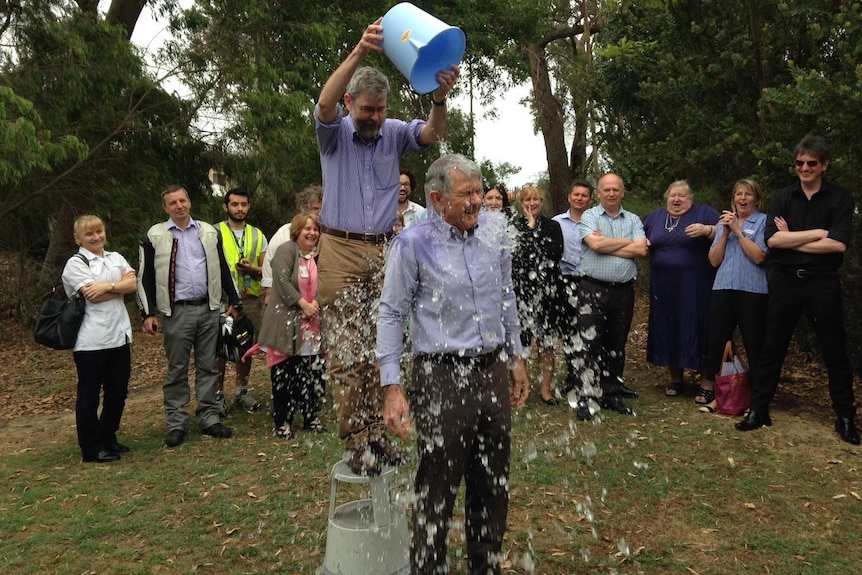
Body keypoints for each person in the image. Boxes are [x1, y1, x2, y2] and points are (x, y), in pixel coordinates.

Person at [314, 16, 459, 474]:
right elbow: (323, 102)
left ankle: (379, 432)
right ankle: (357, 441)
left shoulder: (394, 132)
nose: (374, 117)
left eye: (380, 109)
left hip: (384, 251)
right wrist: (359, 50)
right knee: (346, 351)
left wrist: (439, 97)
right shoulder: (333, 134)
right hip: (338, 250)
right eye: (366, 109)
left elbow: (433, 134)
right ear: (351, 102)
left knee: (383, 346)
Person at [377, 154, 529, 575]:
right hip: (440, 376)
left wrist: (515, 356)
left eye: (479, 191)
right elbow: (391, 314)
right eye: (467, 194)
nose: (477, 201)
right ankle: (427, 568)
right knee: (437, 488)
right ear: (437, 198)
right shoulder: (412, 244)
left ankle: (486, 567)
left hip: (493, 371)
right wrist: (393, 387)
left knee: (492, 484)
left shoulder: (495, 234)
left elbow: (506, 295)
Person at [736, 135, 859, 445]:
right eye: (800, 163)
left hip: (823, 282)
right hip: (786, 281)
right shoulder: (782, 198)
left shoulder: (841, 199)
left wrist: (793, 238)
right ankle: (759, 410)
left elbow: (839, 244)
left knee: (834, 352)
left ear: (824, 165)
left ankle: (845, 417)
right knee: (771, 348)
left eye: (812, 163)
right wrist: (818, 234)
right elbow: (773, 242)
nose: (804, 167)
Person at [138, 184, 243, 448]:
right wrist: (148, 312)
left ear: (189, 202)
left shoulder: (209, 231)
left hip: (208, 309)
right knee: (177, 369)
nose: (179, 206)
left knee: (208, 366)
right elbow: (145, 276)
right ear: (165, 208)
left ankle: (208, 417)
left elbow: (222, 267)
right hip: (177, 312)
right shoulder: (154, 235)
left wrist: (234, 300)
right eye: (173, 203)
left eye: (182, 200)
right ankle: (176, 423)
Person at [62, 215, 137, 463]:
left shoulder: (116, 258)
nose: (96, 237)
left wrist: (106, 287)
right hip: (91, 341)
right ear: (78, 239)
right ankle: (92, 448)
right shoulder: (76, 264)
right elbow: (91, 296)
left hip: (119, 336)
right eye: (89, 234)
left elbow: (133, 284)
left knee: (118, 391)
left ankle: (108, 436)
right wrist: (118, 287)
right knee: (89, 395)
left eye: (99, 232)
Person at [572, 173, 647, 419]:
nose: (612, 193)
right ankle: (585, 398)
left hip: (623, 292)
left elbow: (641, 248)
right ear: (599, 192)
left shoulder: (633, 219)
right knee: (588, 345)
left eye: (616, 189)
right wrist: (627, 242)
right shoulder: (590, 216)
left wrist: (608, 242)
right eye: (607, 190)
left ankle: (611, 393)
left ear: (622, 192)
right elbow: (595, 246)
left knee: (616, 345)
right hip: (593, 289)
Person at [641, 180, 719, 399]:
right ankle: (676, 380)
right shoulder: (655, 217)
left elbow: (726, 232)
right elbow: (636, 235)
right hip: (663, 288)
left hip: (696, 287)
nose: (676, 200)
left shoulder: (703, 213)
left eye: (681, 196)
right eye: (672, 196)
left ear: (690, 198)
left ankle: (707, 383)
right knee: (668, 328)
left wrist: (708, 230)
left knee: (698, 327)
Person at [697, 179, 768, 412]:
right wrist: (726, 233)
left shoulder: (763, 222)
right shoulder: (724, 224)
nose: (743, 198)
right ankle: (722, 395)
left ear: (756, 199)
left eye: (748, 194)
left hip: (752, 290)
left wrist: (739, 232)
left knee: (754, 344)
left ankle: (757, 401)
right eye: (738, 194)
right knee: (717, 342)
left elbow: (759, 257)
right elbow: (714, 260)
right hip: (723, 287)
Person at [257, 213, 325, 439]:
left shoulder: (319, 255)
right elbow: (282, 282)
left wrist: (316, 303)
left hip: (312, 326)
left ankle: (311, 416)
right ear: (297, 231)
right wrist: (303, 304)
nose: (311, 233)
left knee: (313, 372)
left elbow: (326, 281)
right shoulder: (287, 250)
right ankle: (282, 421)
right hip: (286, 324)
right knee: (284, 376)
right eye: (307, 229)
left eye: (315, 229)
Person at [215, 187, 268, 414]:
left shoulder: (258, 234)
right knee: (218, 347)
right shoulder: (213, 232)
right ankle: (217, 395)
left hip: (250, 297)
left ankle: (241, 392)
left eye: (244, 204)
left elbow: (266, 269)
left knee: (245, 346)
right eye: (235, 204)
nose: (239, 208)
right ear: (225, 206)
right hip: (221, 298)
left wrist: (252, 269)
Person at [511, 184, 564, 404]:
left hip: (547, 291)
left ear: (542, 202)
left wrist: (533, 232)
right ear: (521, 204)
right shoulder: (514, 226)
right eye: (527, 200)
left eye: (536, 200)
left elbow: (554, 254)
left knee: (546, 343)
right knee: (521, 342)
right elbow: (517, 256)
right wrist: (530, 228)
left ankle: (546, 389)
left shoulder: (553, 226)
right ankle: (521, 387)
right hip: (521, 291)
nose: (532, 204)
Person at [553, 181, 592, 398]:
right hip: (566, 280)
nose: (579, 198)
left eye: (584, 195)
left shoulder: (596, 221)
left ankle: (591, 374)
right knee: (569, 330)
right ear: (569, 197)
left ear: (590, 199)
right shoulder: (556, 222)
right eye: (575, 194)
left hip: (591, 280)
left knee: (591, 329)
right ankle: (572, 375)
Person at [261, 184, 322, 306]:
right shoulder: (285, 231)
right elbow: (269, 261)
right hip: (286, 297)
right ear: (304, 209)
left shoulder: (324, 234)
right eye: (315, 208)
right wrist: (268, 290)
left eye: (322, 208)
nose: (319, 212)